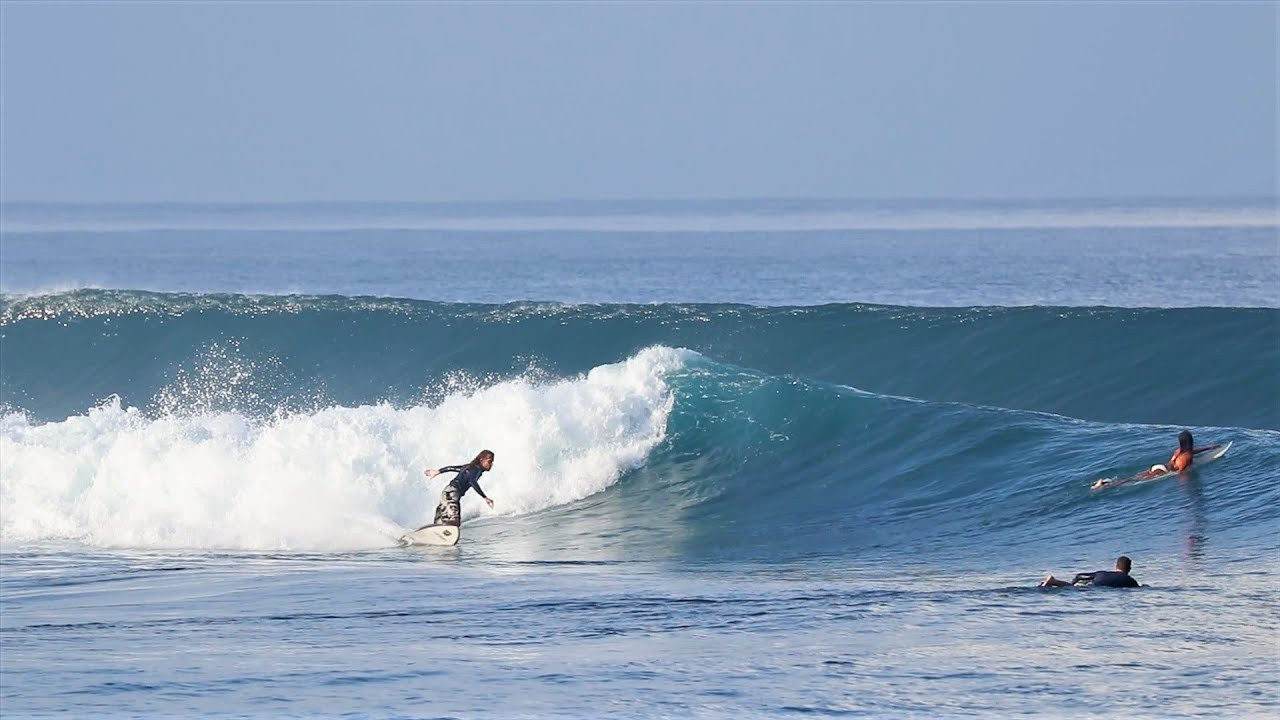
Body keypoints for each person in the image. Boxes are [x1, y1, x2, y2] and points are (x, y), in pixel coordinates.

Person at [423, 450, 495, 527]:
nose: (491, 464)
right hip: (451, 494)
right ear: (481, 460)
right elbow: (472, 482)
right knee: (454, 520)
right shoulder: (475, 470)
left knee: (441, 522)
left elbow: (452, 468)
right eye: (489, 461)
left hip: (448, 493)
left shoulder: (468, 467)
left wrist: (438, 471)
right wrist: (485, 497)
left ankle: (434, 533)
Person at [1040, 555, 1140, 588]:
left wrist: (1073, 582)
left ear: (1115, 566)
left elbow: (1080, 575)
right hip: (1101, 587)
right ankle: (1054, 582)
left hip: (1097, 579)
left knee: (1074, 587)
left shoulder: (1103, 573)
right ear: (1129, 569)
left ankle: (1054, 581)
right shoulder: (1131, 581)